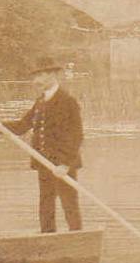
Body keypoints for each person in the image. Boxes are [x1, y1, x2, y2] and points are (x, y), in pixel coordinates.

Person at [5, 61, 84, 234]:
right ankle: (47, 238)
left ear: (53, 75)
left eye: (40, 75)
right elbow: (22, 125)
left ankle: (78, 238)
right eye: (35, 76)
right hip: (44, 163)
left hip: (63, 165)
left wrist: (65, 164)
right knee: (46, 203)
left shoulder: (67, 101)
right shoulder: (40, 101)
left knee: (69, 203)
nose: (36, 80)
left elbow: (76, 136)